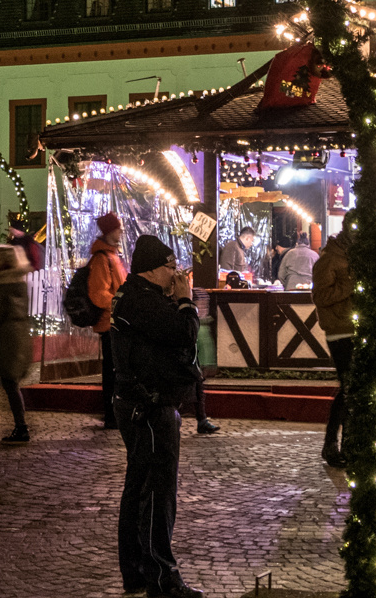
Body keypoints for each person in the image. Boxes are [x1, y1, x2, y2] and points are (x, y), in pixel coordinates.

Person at [110, 235, 204, 598]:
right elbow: (184, 334)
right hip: (149, 407)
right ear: (152, 268)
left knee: (138, 489)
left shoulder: (134, 297)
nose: (176, 274)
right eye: (171, 267)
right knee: (156, 493)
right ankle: (161, 577)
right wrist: (185, 301)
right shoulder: (142, 301)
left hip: (141, 403)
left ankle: (135, 571)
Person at [0, 244, 34, 444]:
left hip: (5, 338)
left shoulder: (1, 284)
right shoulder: (20, 282)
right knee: (11, 383)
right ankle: (21, 425)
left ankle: (21, 427)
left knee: (10, 384)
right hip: (19, 335)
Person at [313, 226, 356, 466]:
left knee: (353, 388)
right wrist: (351, 285)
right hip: (339, 331)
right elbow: (320, 297)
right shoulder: (328, 260)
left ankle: (347, 445)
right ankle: (332, 443)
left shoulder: (353, 256)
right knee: (348, 387)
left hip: (355, 328)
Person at [87, 212, 130, 429]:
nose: (121, 231)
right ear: (110, 231)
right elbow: (98, 293)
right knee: (112, 372)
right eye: (118, 228)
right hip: (109, 323)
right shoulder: (102, 259)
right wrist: (120, 304)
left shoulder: (112, 256)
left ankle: (115, 413)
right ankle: (111, 415)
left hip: (116, 321)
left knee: (116, 370)